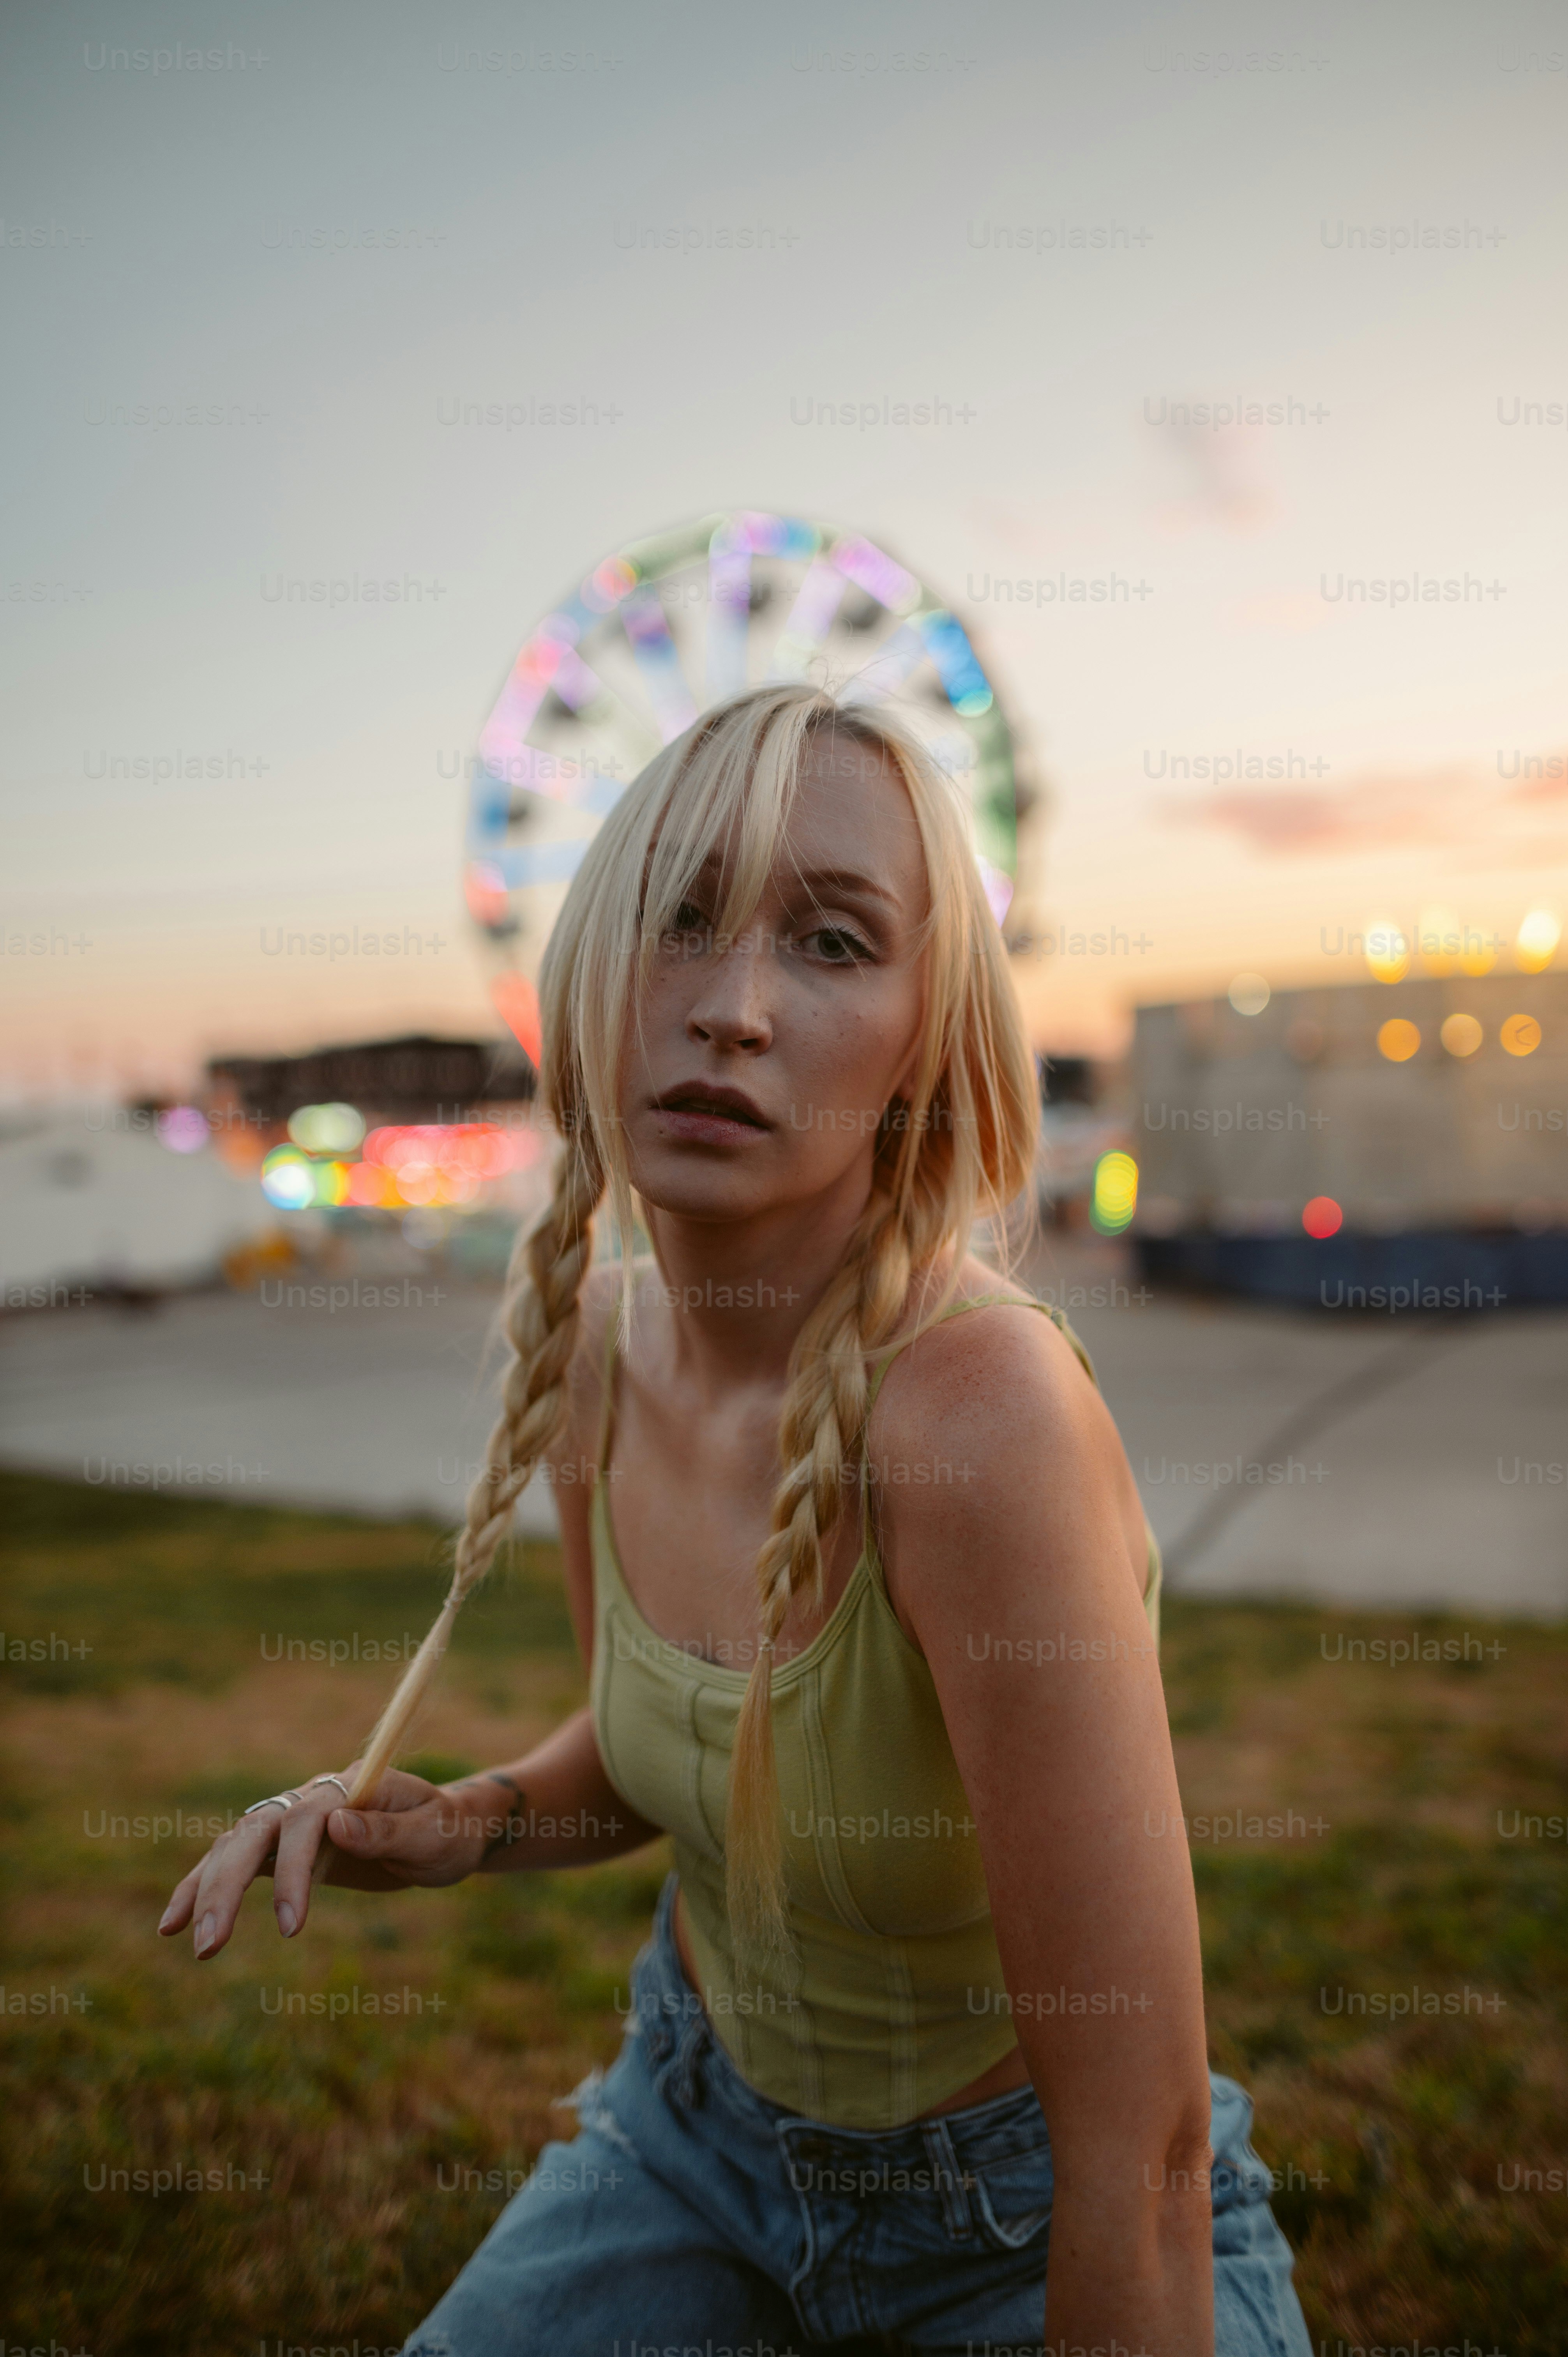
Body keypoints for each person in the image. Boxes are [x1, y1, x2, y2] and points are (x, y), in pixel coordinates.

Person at [160, 684, 1312, 2357]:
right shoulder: (594, 1353)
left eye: (834, 943)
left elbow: (1137, 2159)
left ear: (927, 1040)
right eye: (679, 920)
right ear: (587, 979)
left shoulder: (979, 1421)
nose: (736, 1010)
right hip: (688, 2137)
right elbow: (665, 1761)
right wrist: (463, 1822)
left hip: (1019, 2213)